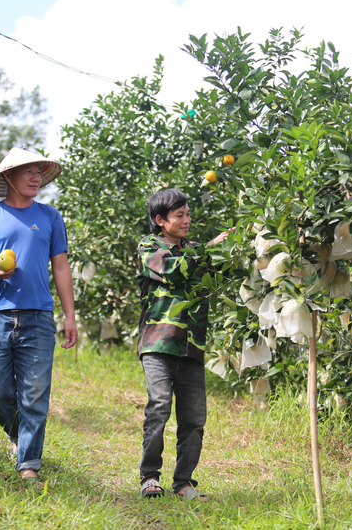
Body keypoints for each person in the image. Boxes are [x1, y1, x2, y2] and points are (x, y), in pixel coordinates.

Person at [0, 147, 78, 483]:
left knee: (35, 393)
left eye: (39, 172)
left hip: (39, 316)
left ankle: (28, 463)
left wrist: (70, 316)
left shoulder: (50, 216)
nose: (35, 177)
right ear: (8, 177)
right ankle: (19, 436)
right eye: (28, 171)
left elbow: (60, 266)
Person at [136, 188, 230, 501]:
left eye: (188, 214)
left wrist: (237, 246)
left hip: (191, 346)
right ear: (161, 220)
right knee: (159, 408)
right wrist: (210, 249)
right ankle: (150, 476)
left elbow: (219, 274)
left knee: (194, 418)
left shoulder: (196, 249)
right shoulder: (150, 246)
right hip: (159, 344)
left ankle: (184, 482)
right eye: (180, 215)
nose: (187, 220)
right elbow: (174, 271)